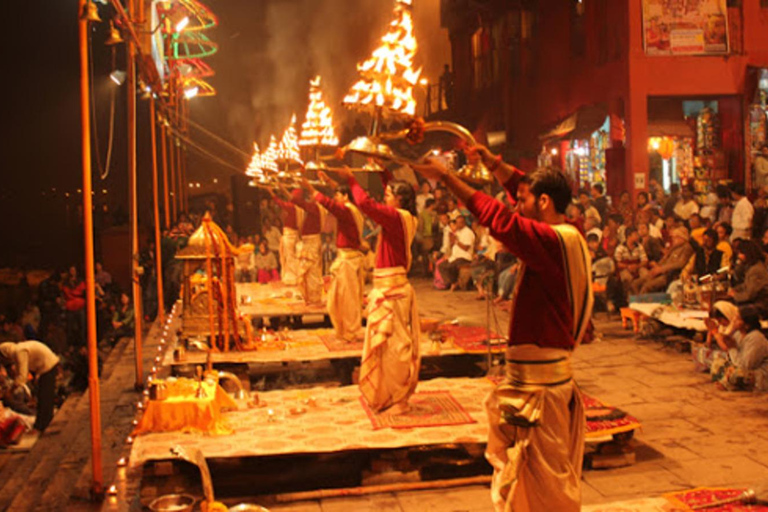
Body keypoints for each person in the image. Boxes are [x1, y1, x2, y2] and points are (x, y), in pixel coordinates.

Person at [413, 147, 592, 512]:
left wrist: (447, 178)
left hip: (542, 391)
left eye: (522, 200)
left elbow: (500, 219)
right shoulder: (562, 232)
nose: (515, 203)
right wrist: (492, 162)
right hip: (532, 382)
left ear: (543, 202)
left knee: (544, 486)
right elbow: (519, 192)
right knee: (525, 479)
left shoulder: (551, 241)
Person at [335, 166, 420, 415]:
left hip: (393, 292)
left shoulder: (396, 218)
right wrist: (383, 170)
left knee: (396, 349)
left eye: (390, 193)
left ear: (400, 199)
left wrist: (351, 178)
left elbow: (365, 202)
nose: (386, 195)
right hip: (386, 287)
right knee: (384, 349)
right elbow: (385, 191)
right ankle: (389, 396)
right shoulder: (400, 216)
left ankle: (401, 399)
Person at [305, 173, 366, 342]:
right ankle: (344, 331)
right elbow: (335, 199)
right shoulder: (349, 209)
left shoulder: (347, 210)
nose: (335, 197)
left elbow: (330, 204)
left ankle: (350, 332)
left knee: (347, 300)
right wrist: (328, 180)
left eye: (338, 195)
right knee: (334, 300)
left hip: (348, 261)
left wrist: (310, 188)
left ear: (346, 197)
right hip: (344, 259)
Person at [0, 341, 60, 433]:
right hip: (44, 367)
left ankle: (42, 425)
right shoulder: (19, 349)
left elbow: (22, 376)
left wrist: (11, 390)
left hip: (48, 366)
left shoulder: (19, 351)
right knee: (43, 396)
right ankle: (42, 424)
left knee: (45, 397)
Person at [710, 305, 768, 392]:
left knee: (736, 374)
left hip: (759, 374)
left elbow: (746, 366)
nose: (733, 321)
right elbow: (731, 358)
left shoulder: (756, 338)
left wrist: (732, 348)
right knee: (717, 363)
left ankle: (732, 384)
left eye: (737, 319)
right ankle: (730, 382)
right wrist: (730, 334)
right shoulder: (738, 334)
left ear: (747, 325)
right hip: (740, 366)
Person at [288, 187, 327, 305]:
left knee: (312, 272)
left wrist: (299, 188)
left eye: (311, 196)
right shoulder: (313, 209)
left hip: (312, 243)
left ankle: (314, 298)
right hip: (307, 242)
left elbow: (299, 202)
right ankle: (310, 297)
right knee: (307, 272)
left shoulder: (315, 208)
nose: (309, 198)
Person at [631, 227, 694, 295]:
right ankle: (636, 301)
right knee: (635, 284)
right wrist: (656, 265)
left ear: (682, 237)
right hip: (660, 272)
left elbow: (680, 263)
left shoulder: (686, 247)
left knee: (646, 286)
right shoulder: (674, 248)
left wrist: (661, 269)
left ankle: (641, 303)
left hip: (669, 275)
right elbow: (664, 260)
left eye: (675, 237)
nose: (673, 239)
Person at [269, 188, 304, 286]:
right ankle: (294, 277)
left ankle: (292, 278)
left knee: (289, 257)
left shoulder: (293, 207)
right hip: (294, 235)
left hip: (290, 236)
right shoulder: (300, 208)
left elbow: (280, 203)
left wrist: (271, 192)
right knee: (291, 257)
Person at [692, 301, 739, 372]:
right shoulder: (722, 327)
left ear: (727, 315)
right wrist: (710, 332)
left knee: (719, 356)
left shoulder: (736, 326)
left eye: (720, 320)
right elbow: (708, 344)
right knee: (698, 350)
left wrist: (716, 334)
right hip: (722, 350)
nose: (719, 322)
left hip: (734, 355)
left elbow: (727, 348)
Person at [728, 240, 768, 314]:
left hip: (760, 305)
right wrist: (735, 289)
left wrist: (735, 295)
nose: (739, 256)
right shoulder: (753, 266)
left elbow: (749, 295)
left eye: (741, 253)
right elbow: (746, 284)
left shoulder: (756, 270)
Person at [438, 214, 476, 291]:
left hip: (464, 256)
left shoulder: (468, 232)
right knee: (441, 265)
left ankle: (454, 283)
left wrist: (456, 241)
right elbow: (453, 245)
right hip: (455, 256)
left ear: (463, 223)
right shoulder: (458, 232)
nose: (457, 224)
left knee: (451, 266)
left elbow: (466, 248)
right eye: (457, 222)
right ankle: (453, 282)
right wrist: (451, 240)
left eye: (459, 223)